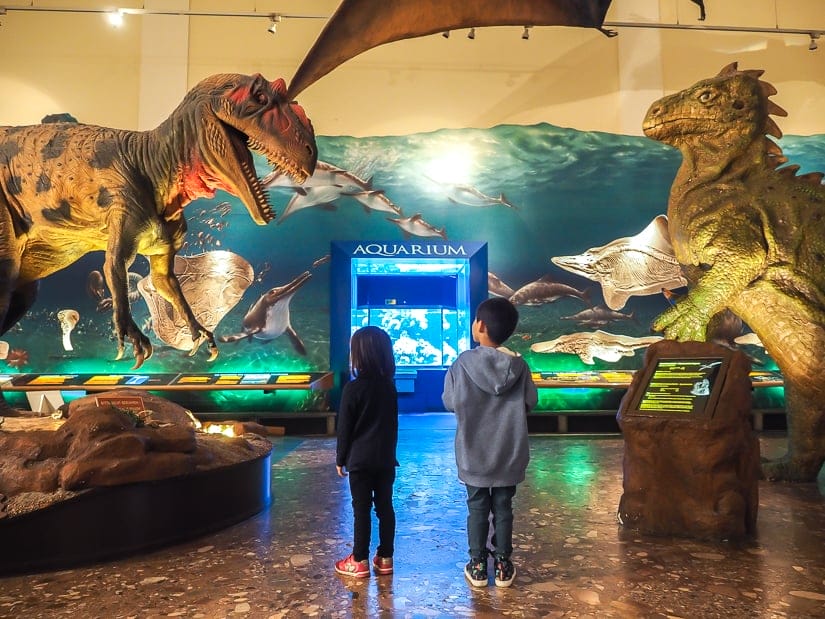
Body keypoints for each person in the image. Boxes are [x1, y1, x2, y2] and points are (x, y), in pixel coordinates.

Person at [442, 297, 537, 588]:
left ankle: (478, 564)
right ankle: (504, 564)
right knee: (504, 506)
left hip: (474, 453)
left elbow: (449, 402)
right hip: (509, 452)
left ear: (479, 326)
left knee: (478, 506)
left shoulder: (461, 364)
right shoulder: (519, 366)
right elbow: (531, 402)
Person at [334, 325, 399, 578]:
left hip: (360, 461)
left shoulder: (353, 389)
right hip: (385, 460)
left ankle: (358, 559)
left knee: (361, 508)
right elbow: (392, 425)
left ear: (358, 355)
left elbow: (345, 428)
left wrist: (341, 459)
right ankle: (385, 558)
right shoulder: (389, 387)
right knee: (385, 507)